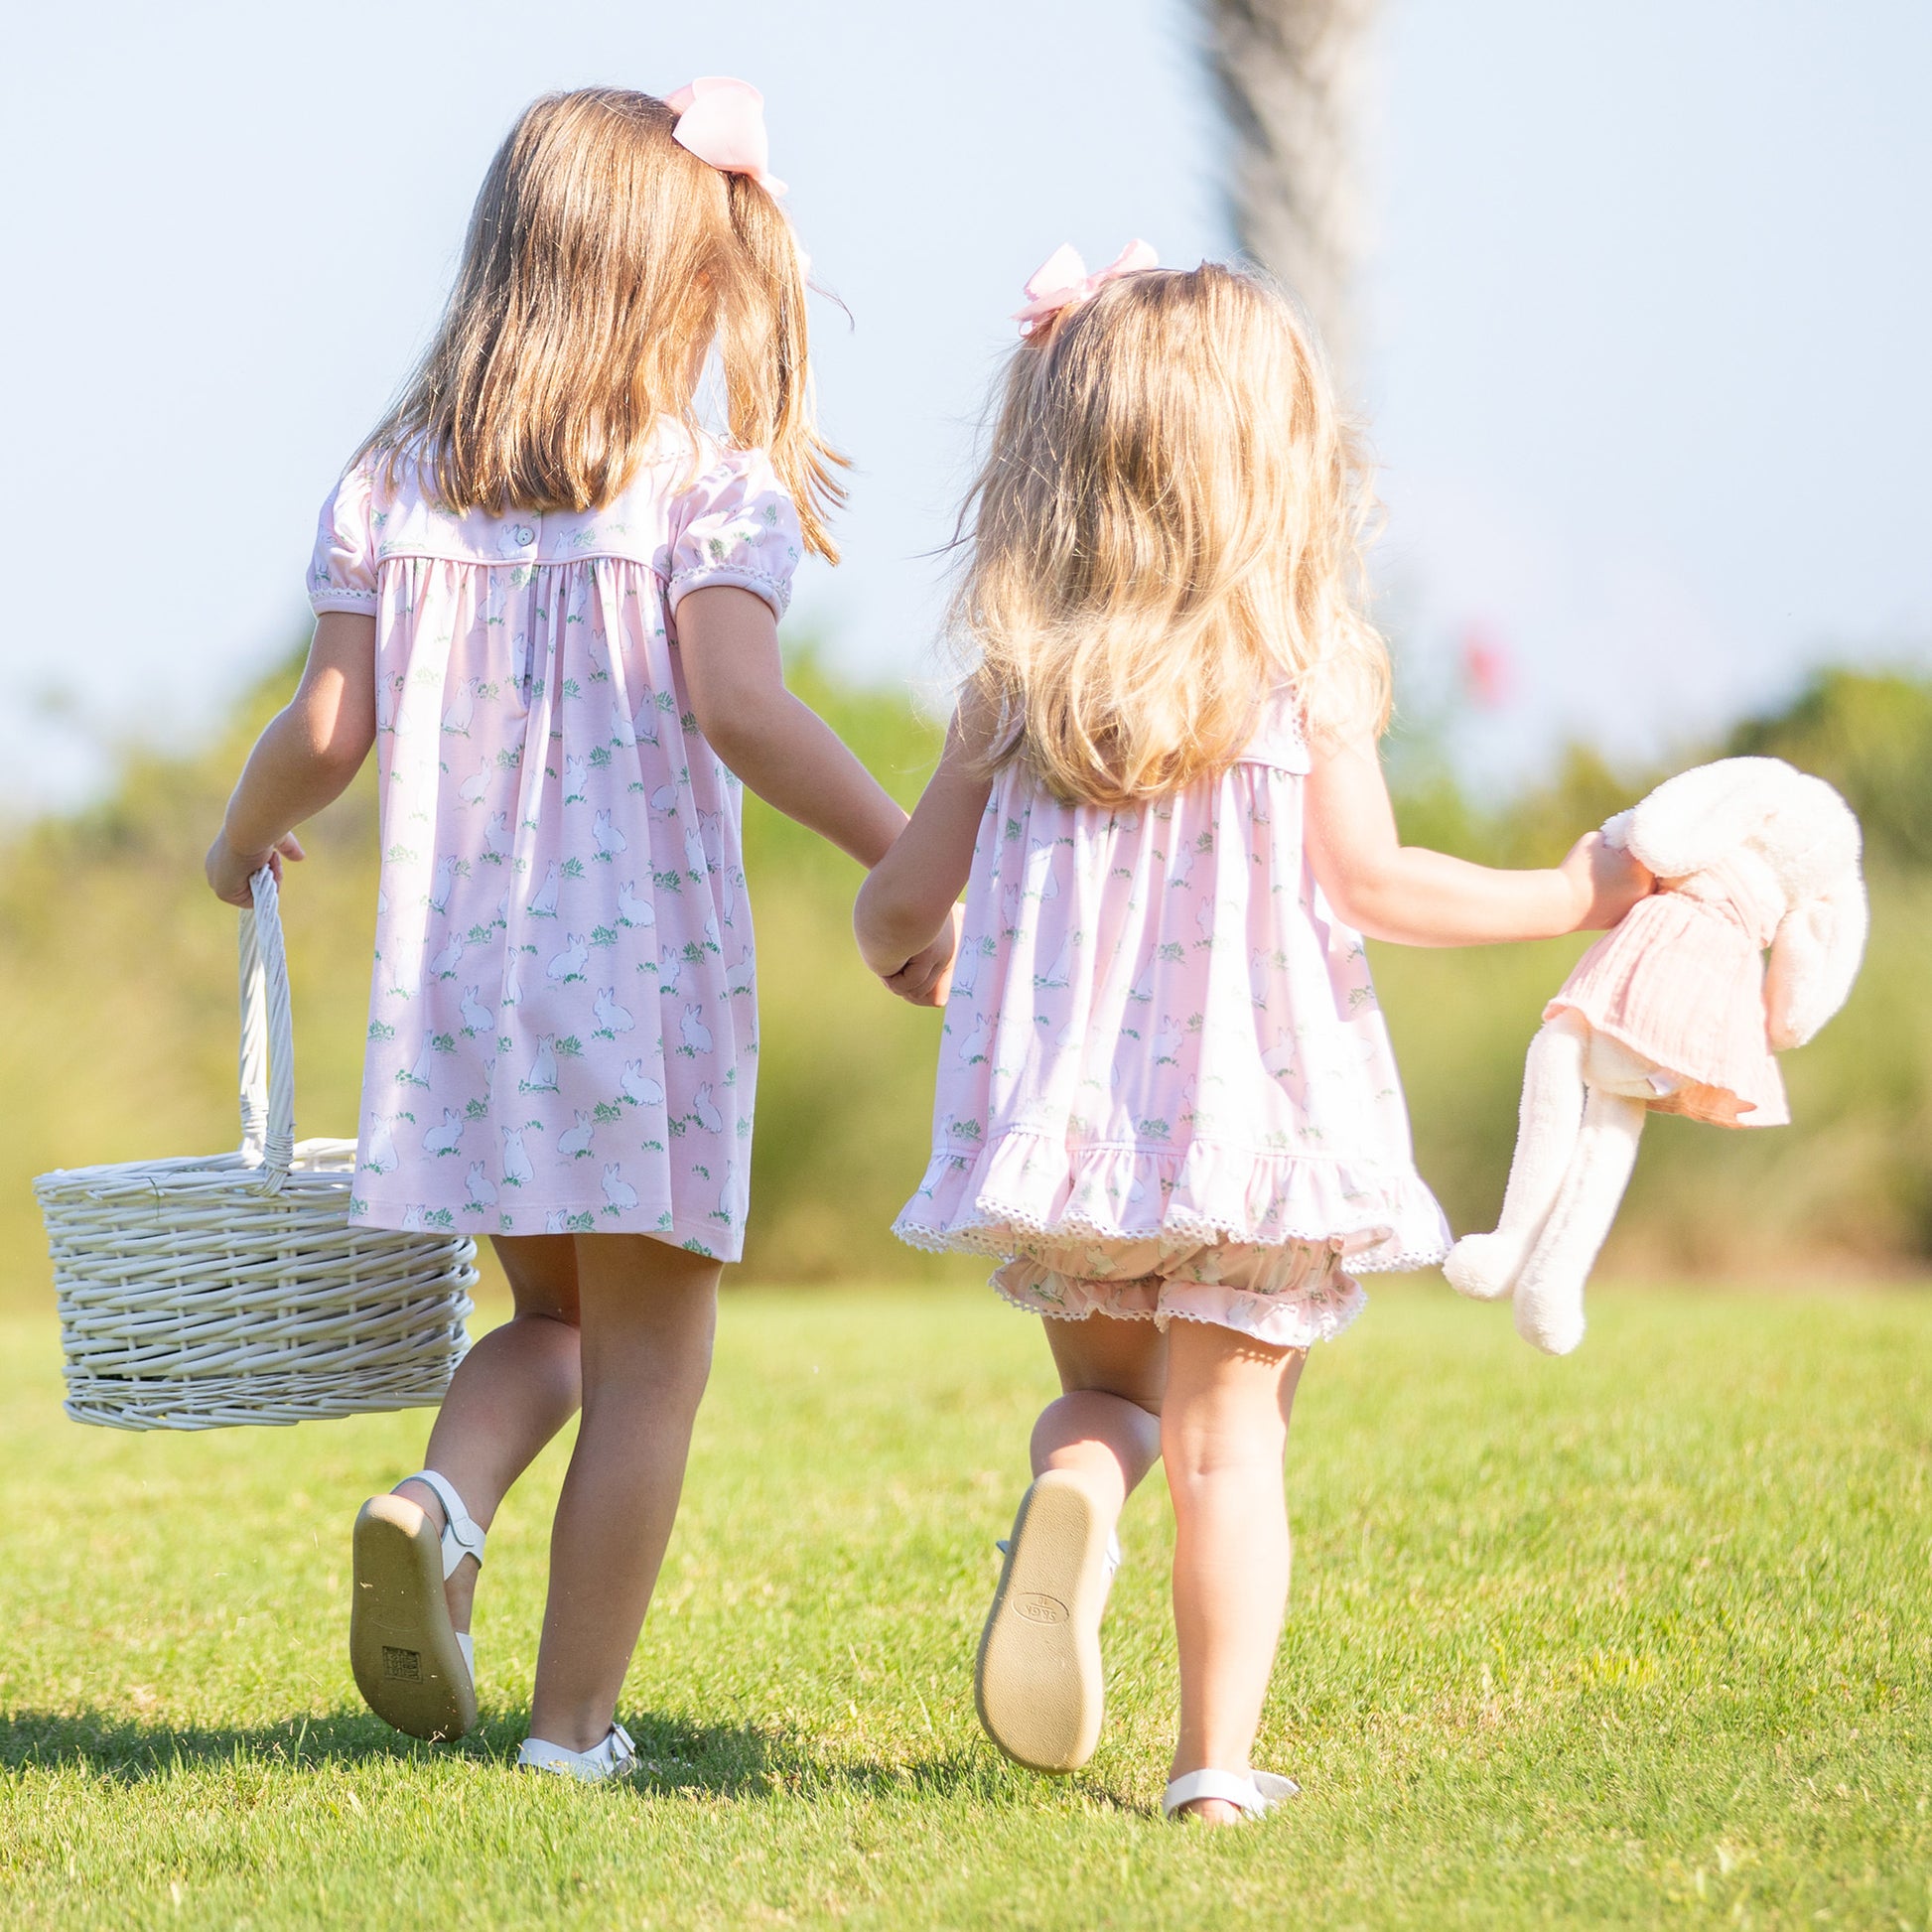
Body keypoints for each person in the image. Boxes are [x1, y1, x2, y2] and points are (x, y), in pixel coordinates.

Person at [854, 245, 1652, 1824]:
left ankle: (1077, 1482)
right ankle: (1211, 1767)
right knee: (1230, 1450)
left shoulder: (1012, 692)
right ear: (1277, 462)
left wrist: (922, 952)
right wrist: (1574, 888)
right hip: (1253, 1130)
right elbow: (1379, 883)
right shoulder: (1300, 676)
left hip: (1071, 1138)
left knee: (1109, 1402)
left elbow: (892, 907)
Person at [207, 82, 942, 1780]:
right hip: (642, 990)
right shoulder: (706, 488)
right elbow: (742, 708)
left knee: (551, 1320)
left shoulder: (391, 483)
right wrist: (908, 856)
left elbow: (327, 730)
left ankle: (439, 1493)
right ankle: (569, 1732)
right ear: (677, 285)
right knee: (652, 1366)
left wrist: (239, 844)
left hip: (456, 990)